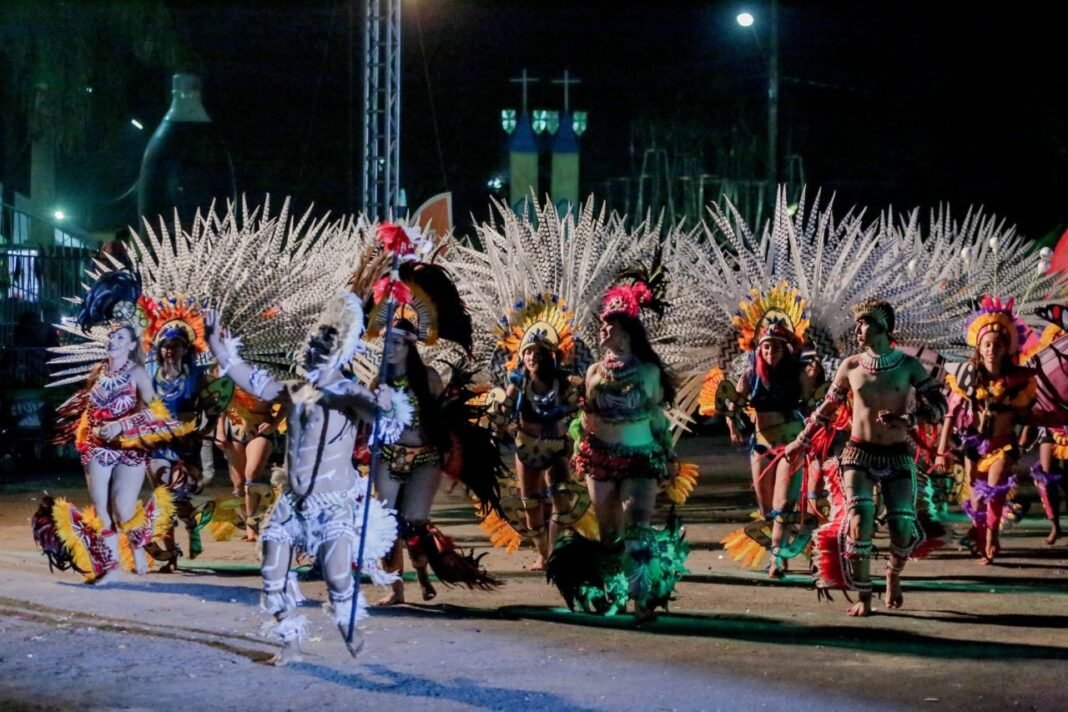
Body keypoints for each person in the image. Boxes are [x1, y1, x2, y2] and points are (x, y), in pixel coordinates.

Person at [205, 292, 406, 664]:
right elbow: (258, 384)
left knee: (337, 579)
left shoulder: (348, 393)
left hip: (333, 503)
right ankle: (290, 645)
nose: (312, 348)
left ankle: (349, 630)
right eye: (312, 341)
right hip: (292, 503)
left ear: (340, 350)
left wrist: (386, 404)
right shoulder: (296, 389)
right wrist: (220, 348)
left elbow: (388, 424)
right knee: (272, 571)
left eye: (322, 343)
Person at [785, 299, 947, 616]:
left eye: (864, 323)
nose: (858, 329)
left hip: (898, 456)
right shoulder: (851, 366)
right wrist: (800, 441)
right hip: (858, 455)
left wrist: (909, 420)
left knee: (902, 528)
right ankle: (864, 595)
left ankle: (893, 574)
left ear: (883, 328)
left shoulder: (908, 366)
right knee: (859, 523)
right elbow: (827, 409)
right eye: (857, 323)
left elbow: (941, 406)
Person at [36, 270, 180, 583]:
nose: (113, 341)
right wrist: (88, 432)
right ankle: (109, 567)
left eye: (120, 338)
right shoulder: (98, 371)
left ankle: (138, 551)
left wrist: (122, 425)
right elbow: (90, 407)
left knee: (124, 508)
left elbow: (157, 411)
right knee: (100, 506)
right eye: (111, 336)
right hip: (97, 446)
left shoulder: (137, 373)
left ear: (132, 344)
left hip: (129, 445)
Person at [558, 279, 687, 622]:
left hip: (640, 457)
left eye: (610, 325)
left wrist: (668, 453)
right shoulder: (593, 373)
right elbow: (586, 419)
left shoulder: (648, 372)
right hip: (599, 457)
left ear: (626, 332)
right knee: (609, 534)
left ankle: (642, 596)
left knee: (638, 523)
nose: (603, 330)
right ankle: (614, 593)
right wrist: (578, 449)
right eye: (602, 325)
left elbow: (656, 416)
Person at [722, 286, 822, 578]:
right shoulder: (750, 375)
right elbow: (733, 405)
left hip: (791, 442)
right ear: (758, 349)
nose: (770, 352)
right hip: (761, 445)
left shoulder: (798, 373)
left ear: (786, 349)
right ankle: (797, 547)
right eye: (766, 347)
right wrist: (733, 425)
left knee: (783, 503)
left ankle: (778, 558)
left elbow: (814, 403)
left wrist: (815, 378)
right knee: (766, 508)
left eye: (776, 347)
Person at [937, 296, 1036, 563]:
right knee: (977, 501)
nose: (992, 350)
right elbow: (950, 415)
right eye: (987, 345)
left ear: (1006, 348)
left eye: (997, 345)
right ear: (979, 348)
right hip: (974, 446)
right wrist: (941, 452)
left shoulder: (1020, 381)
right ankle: (981, 537)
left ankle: (991, 538)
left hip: (1003, 444)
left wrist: (1026, 435)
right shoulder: (965, 377)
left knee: (995, 489)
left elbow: (1028, 417)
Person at [490, 323, 582, 571]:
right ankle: (543, 555)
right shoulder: (519, 383)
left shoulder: (562, 382)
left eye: (537, 353)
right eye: (528, 352)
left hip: (556, 449)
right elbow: (502, 412)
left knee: (562, 503)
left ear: (548, 356)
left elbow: (581, 404)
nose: (532, 357)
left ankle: (554, 552)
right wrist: (498, 420)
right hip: (527, 450)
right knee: (531, 505)